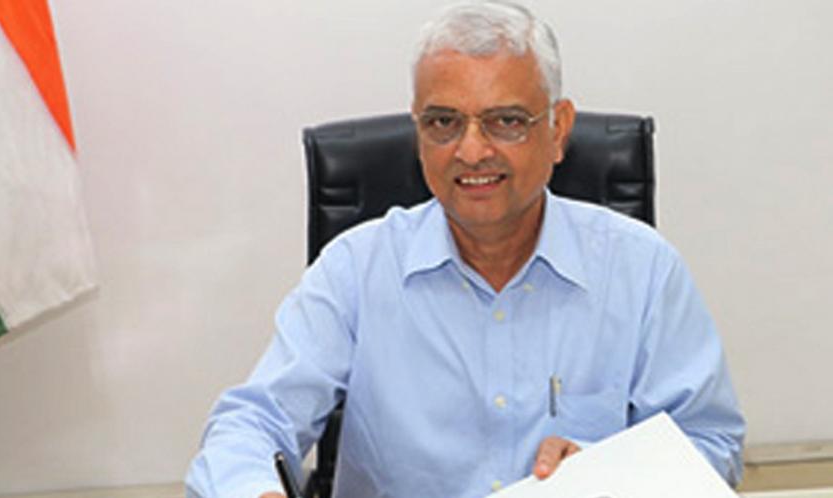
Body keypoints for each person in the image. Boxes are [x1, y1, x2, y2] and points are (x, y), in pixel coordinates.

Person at [186, 1, 745, 497]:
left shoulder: (641, 269)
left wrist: (618, 476)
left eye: (506, 121)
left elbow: (710, 441)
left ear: (558, 130)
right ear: (418, 132)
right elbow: (249, 425)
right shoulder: (356, 270)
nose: (471, 151)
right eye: (443, 122)